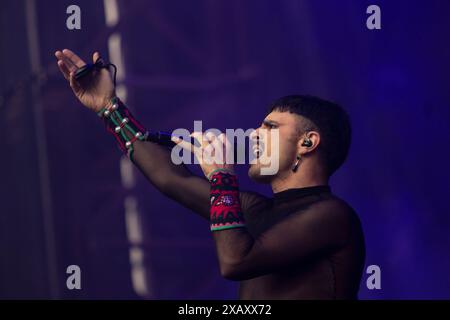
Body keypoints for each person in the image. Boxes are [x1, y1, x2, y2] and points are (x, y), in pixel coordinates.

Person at [55, 49, 365, 299]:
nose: (254, 134)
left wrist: (221, 177)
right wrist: (108, 106)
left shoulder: (334, 216)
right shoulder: (258, 209)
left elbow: (236, 261)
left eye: (269, 128)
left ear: (308, 142)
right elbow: (173, 179)